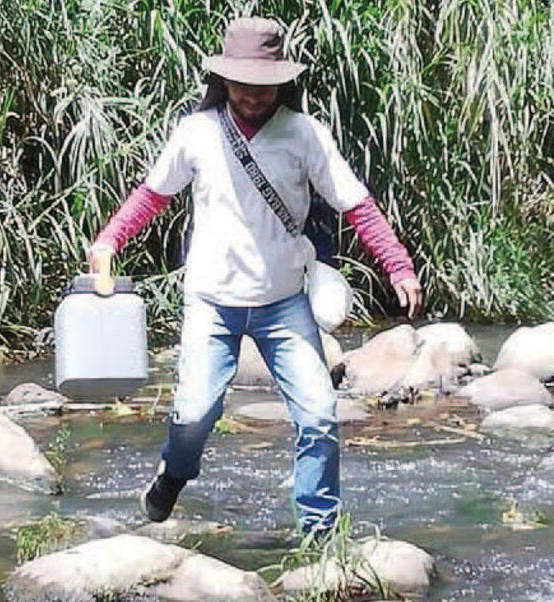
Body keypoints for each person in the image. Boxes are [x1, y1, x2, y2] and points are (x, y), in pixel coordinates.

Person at [85, 17, 422, 538]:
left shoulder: (305, 134)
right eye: (243, 84)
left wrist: (397, 263)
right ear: (223, 80)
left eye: (264, 86)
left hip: (284, 303)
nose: (253, 96)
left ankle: (319, 532)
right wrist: (109, 240)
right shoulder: (197, 133)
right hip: (211, 303)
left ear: (282, 82)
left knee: (318, 416)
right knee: (194, 414)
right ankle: (174, 474)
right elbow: (152, 196)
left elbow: (356, 203)